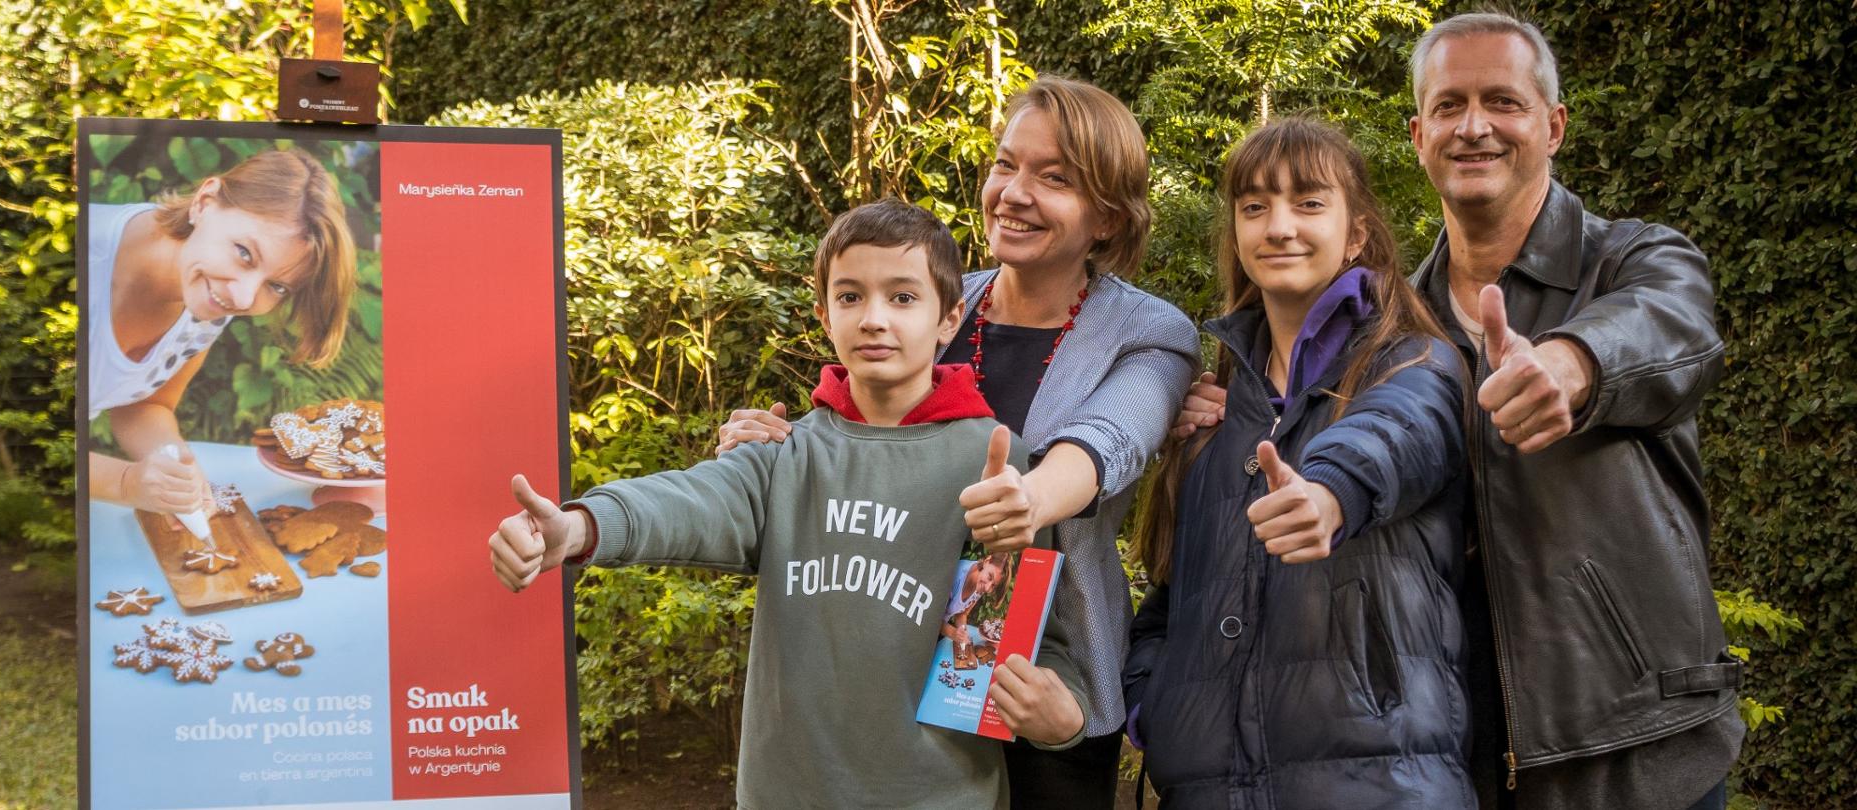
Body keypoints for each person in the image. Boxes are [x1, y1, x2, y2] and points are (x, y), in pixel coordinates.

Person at [1175, 12, 1742, 810]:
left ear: (1554, 126)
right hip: (1471, 746)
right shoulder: (1398, 329)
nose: (1474, 126)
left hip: (1634, 743)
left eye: (1502, 102)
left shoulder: (1631, 261)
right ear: (1417, 134)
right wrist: (1224, 408)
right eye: (1449, 106)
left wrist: (1571, 363)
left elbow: (1675, 328)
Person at [490, 199, 1089, 809]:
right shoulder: (783, 452)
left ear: (949, 316)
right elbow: (689, 500)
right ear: (823, 312)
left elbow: (1029, 631)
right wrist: (578, 526)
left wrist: (1064, 719)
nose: (874, 319)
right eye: (850, 296)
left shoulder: (993, 461)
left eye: (903, 298)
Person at [716, 76, 1200, 807]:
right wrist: (770, 449)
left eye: (1054, 178)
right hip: (900, 683)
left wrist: (1027, 497)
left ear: (1106, 217)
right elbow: (849, 436)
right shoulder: (929, 300)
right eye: (1007, 165)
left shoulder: (1148, 332)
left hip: (1040, 688)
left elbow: (1109, 440)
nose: (1014, 192)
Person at [1122, 117, 1473, 808]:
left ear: (1357, 233)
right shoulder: (1213, 417)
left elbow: (1397, 431)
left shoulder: (1414, 362)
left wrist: (1329, 491)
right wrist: (1153, 708)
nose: (1279, 226)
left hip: (1383, 788)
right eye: (1255, 206)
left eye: (1309, 203)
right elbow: (1172, 599)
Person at [86, 147, 356, 518]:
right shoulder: (83, 257)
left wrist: (176, 468)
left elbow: (145, 406)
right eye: (245, 253)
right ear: (205, 202)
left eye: (277, 287)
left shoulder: (210, 297)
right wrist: (122, 483)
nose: (244, 297)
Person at [942, 552, 1009, 667]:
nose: (988, 588)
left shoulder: (981, 585)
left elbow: (963, 613)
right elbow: (931, 616)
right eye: (990, 577)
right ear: (987, 560)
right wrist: (953, 633)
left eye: (993, 585)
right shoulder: (954, 575)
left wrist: (962, 631)